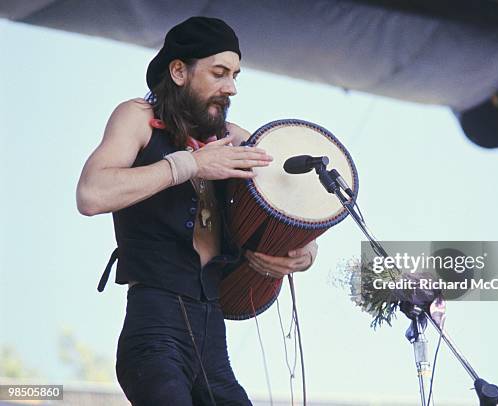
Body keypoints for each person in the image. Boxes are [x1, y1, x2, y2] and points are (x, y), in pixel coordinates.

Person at [76, 16, 318, 405]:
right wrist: (189, 165)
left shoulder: (232, 137)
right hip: (155, 331)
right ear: (178, 71)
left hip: (212, 335)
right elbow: (90, 194)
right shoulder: (137, 117)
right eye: (219, 73)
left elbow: (286, 202)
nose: (231, 88)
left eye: (236, 75)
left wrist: (301, 252)